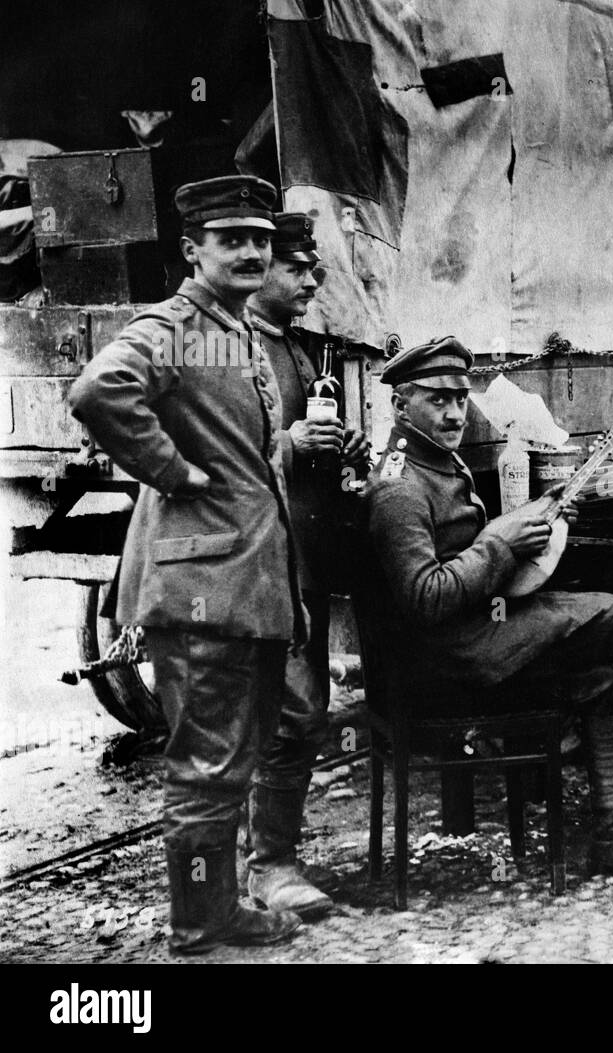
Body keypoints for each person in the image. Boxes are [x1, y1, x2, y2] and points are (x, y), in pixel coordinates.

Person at [363, 337, 613, 883]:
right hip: (442, 662)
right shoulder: (400, 488)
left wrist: (527, 530)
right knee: (612, 613)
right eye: (437, 400)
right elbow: (425, 598)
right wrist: (502, 546)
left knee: (608, 677)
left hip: (474, 632)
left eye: (460, 400)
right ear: (401, 405)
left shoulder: (436, 462)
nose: (453, 413)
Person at [68, 175, 303, 953]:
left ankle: (217, 905)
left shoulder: (231, 332)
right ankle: (201, 918)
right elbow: (100, 390)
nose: (250, 251)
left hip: (238, 581)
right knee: (207, 759)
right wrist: (171, 470)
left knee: (230, 752)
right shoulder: (177, 325)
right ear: (190, 250)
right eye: (230, 238)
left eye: (260, 239)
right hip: (204, 584)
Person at [244, 213, 369, 919]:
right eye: (296, 266)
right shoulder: (224, 348)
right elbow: (216, 461)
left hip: (304, 557)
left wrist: (339, 451)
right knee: (286, 711)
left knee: (305, 706)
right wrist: (292, 442)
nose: (311, 279)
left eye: (311, 266)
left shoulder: (296, 347)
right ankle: (267, 868)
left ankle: (270, 860)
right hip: (258, 561)